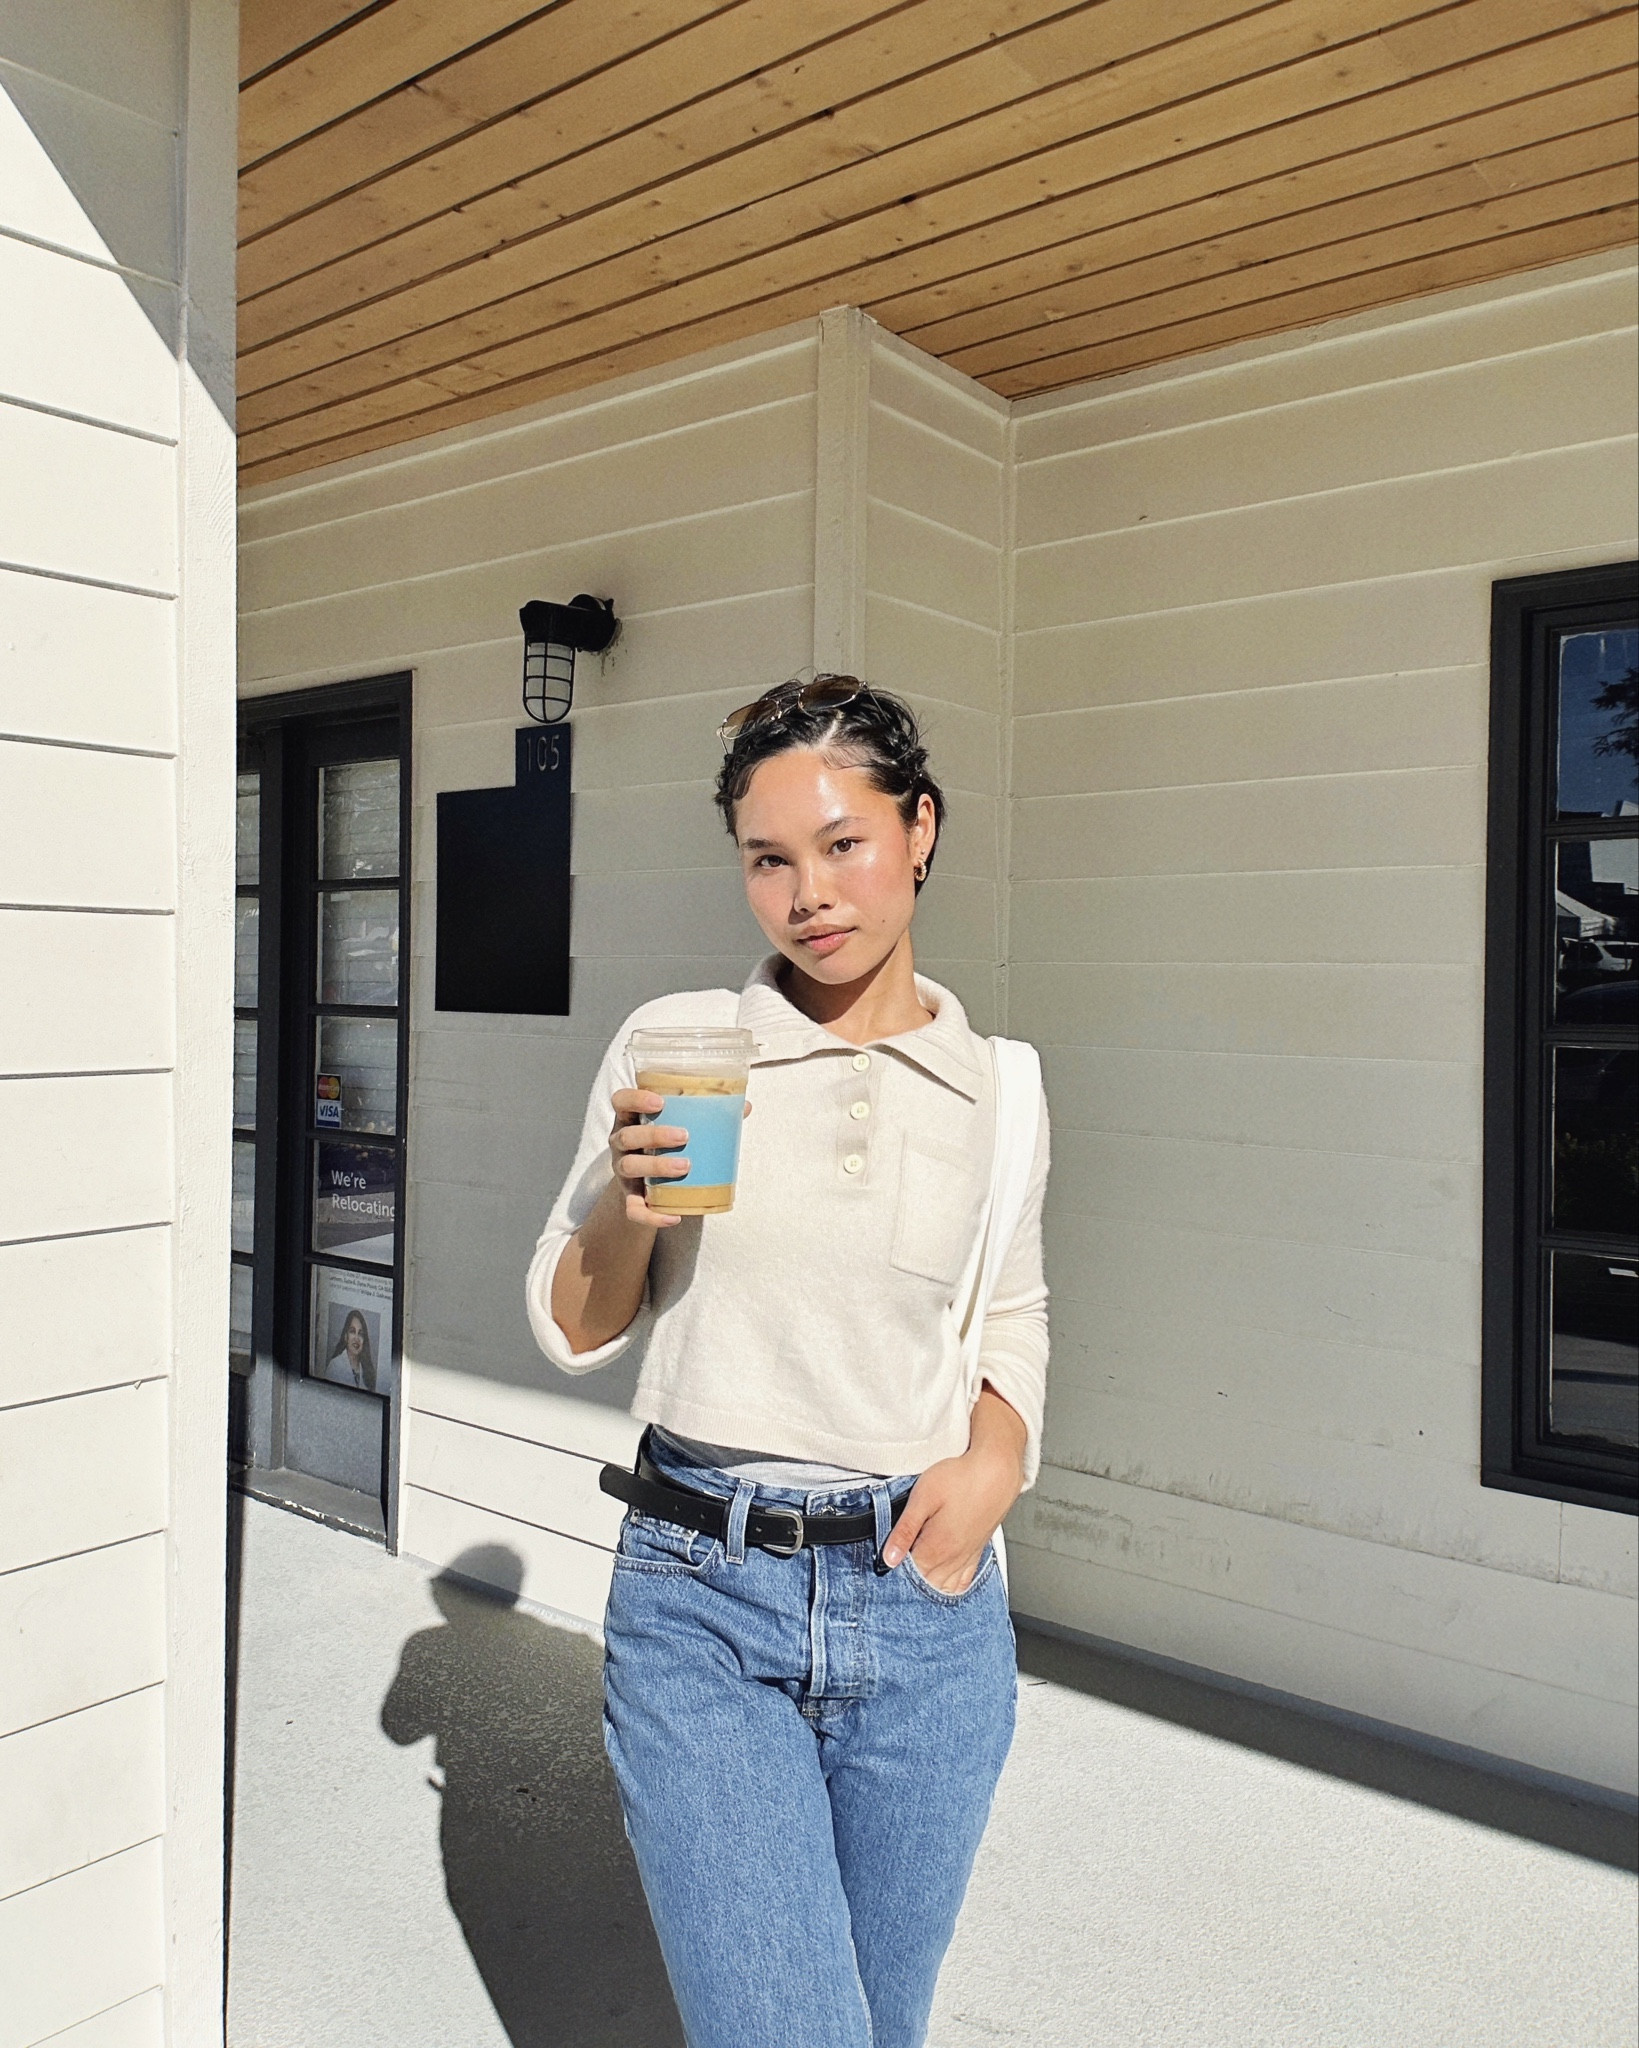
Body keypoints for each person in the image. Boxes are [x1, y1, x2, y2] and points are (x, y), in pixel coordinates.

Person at [526, 676, 1050, 2048]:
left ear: (919, 828)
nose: (807, 892)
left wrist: (996, 1457)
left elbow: (1011, 1311)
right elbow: (576, 1324)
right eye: (768, 858)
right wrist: (621, 1209)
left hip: (923, 1609)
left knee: (879, 2028)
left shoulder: (1002, 1090)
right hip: (703, 1593)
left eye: (842, 844)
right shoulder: (678, 1045)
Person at [326, 1306, 375, 1392]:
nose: (356, 1338)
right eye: (352, 1331)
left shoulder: (367, 1371)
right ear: (346, 1337)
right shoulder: (334, 1366)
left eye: (360, 1334)